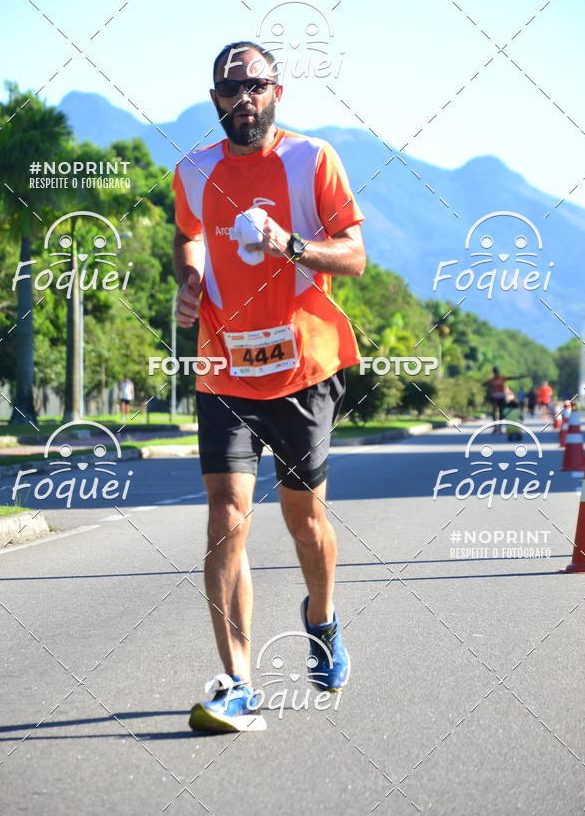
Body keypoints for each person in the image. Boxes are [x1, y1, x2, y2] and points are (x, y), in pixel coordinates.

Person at [173, 41, 366, 733]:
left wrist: (292, 245)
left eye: (254, 85)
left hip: (301, 369)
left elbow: (355, 255)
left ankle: (322, 617)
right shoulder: (193, 170)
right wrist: (190, 279)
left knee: (304, 521)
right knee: (226, 513)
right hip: (223, 366)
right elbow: (188, 236)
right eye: (229, 89)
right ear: (215, 100)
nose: (242, 99)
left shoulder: (312, 159)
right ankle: (237, 682)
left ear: (276, 91)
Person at [482, 367, 527, 432]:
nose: (496, 373)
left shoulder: (502, 378)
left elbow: (511, 378)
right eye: (495, 371)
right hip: (494, 397)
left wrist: (520, 377)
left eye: (497, 371)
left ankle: (499, 427)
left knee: (501, 412)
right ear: (493, 372)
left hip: (501, 397)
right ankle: (495, 427)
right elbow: (484, 384)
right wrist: (485, 384)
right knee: (494, 412)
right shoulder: (491, 380)